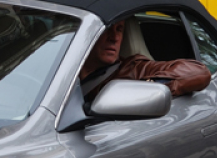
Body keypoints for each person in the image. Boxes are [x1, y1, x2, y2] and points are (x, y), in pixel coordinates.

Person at [79, 20, 210, 102]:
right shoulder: (62, 66)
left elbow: (199, 72)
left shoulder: (133, 68)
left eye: (119, 29)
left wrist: (150, 88)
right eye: (107, 28)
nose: (114, 37)